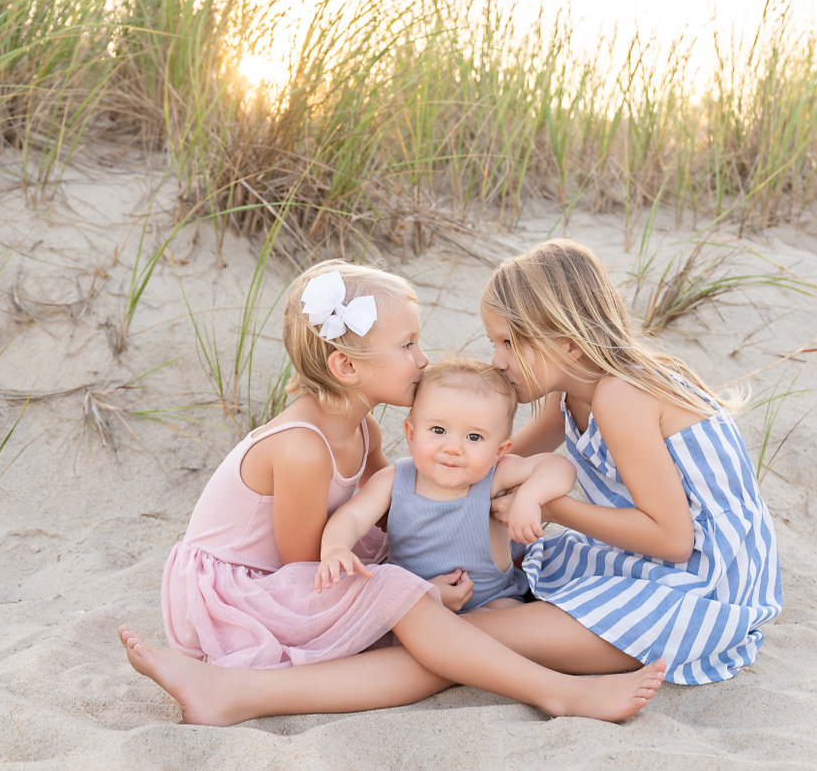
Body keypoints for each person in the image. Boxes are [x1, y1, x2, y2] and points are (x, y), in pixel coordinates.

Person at [121, 258, 665, 724]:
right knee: (409, 604)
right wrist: (417, 591)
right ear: (345, 366)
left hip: (293, 575)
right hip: (240, 596)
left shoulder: (363, 428)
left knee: (423, 602)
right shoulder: (303, 448)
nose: (423, 359)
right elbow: (306, 568)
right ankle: (558, 692)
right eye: (407, 345)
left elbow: (397, 511)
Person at [482, 238, 782, 685]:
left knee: (473, 635)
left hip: (706, 586)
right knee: (492, 594)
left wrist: (550, 507)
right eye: (493, 342)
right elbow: (495, 465)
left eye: (508, 343)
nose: (496, 361)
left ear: (567, 343)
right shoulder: (569, 394)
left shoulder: (621, 394)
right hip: (650, 560)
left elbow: (673, 539)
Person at [316, 357, 574, 613]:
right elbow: (351, 517)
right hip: (414, 604)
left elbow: (558, 466)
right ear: (411, 434)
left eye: (474, 437)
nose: (453, 448)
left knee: (510, 618)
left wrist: (529, 498)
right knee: (401, 622)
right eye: (438, 430)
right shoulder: (395, 480)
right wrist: (336, 548)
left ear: (499, 451)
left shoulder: (494, 477)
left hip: (491, 599)